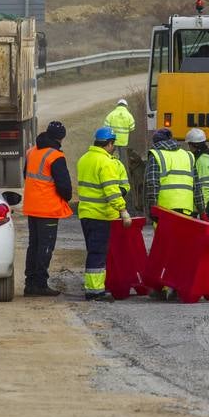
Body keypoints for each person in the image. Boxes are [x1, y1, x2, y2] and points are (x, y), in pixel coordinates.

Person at [77, 125, 132, 302]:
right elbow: (112, 191)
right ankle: (95, 291)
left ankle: (93, 288)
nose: (113, 147)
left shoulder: (84, 159)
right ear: (108, 144)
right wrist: (122, 210)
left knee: (93, 251)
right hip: (100, 215)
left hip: (86, 213)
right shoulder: (106, 162)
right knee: (98, 253)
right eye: (113, 144)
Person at [23, 120, 72, 297]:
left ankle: (30, 283)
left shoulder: (32, 151)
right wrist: (67, 197)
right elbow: (64, 186)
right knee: (45, 247)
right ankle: (41, 284)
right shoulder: (56, 156)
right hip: (47, 209)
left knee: (33, 245)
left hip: (32, 207)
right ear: (61, 137)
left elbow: (26, 175)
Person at [144, 128, 204, 221]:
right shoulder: (188, 155)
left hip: (164, 210)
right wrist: (202, 211)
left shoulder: (156, 155)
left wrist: (152, 208)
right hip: (186, 210)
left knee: (165, 236)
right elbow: (197, 187)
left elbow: (152, 184)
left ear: (156, 142)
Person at [104, 98, 135, 169]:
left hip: (112, 141)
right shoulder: (129, 115)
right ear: (126, 106)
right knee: (123, 159)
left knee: (109, 156)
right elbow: (132, 127)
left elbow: (105, 126)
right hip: (123, 141)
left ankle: (110, 168)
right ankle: (121, 170)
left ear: (117, 105)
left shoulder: (111, 114)